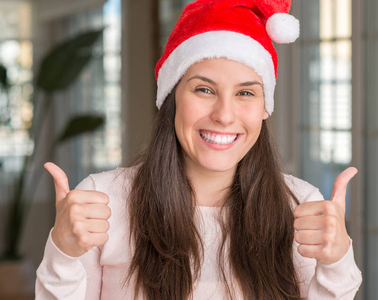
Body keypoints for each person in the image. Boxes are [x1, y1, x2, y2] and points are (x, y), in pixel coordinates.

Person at [35, 0, 362, 299]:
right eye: (204, 89)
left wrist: (336, 262)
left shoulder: (302, 207)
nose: (224, 115)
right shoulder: (103, 200)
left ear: (266, 107)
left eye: (246, 93)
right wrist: (63, 253)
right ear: (171, 97)